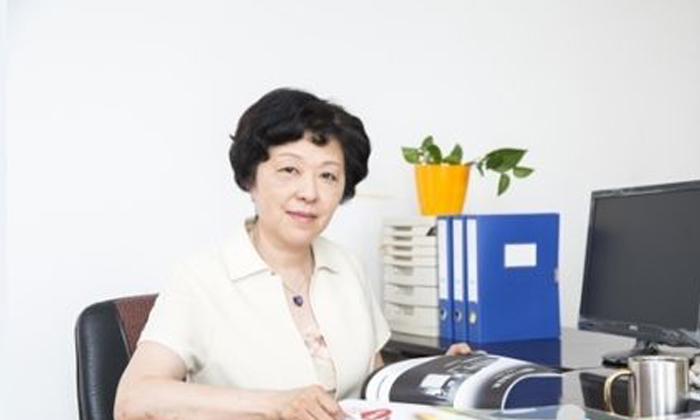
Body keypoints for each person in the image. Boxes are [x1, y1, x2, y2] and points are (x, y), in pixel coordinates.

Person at [114, 88, 471, 420]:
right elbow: (133, 401)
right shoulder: (202, 277)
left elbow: (373, 385)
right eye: (289, 170)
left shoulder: (346, 266)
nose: (309, 193)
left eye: (328, 176)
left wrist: (434, 378)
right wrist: (275, 405)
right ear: (250, 178)